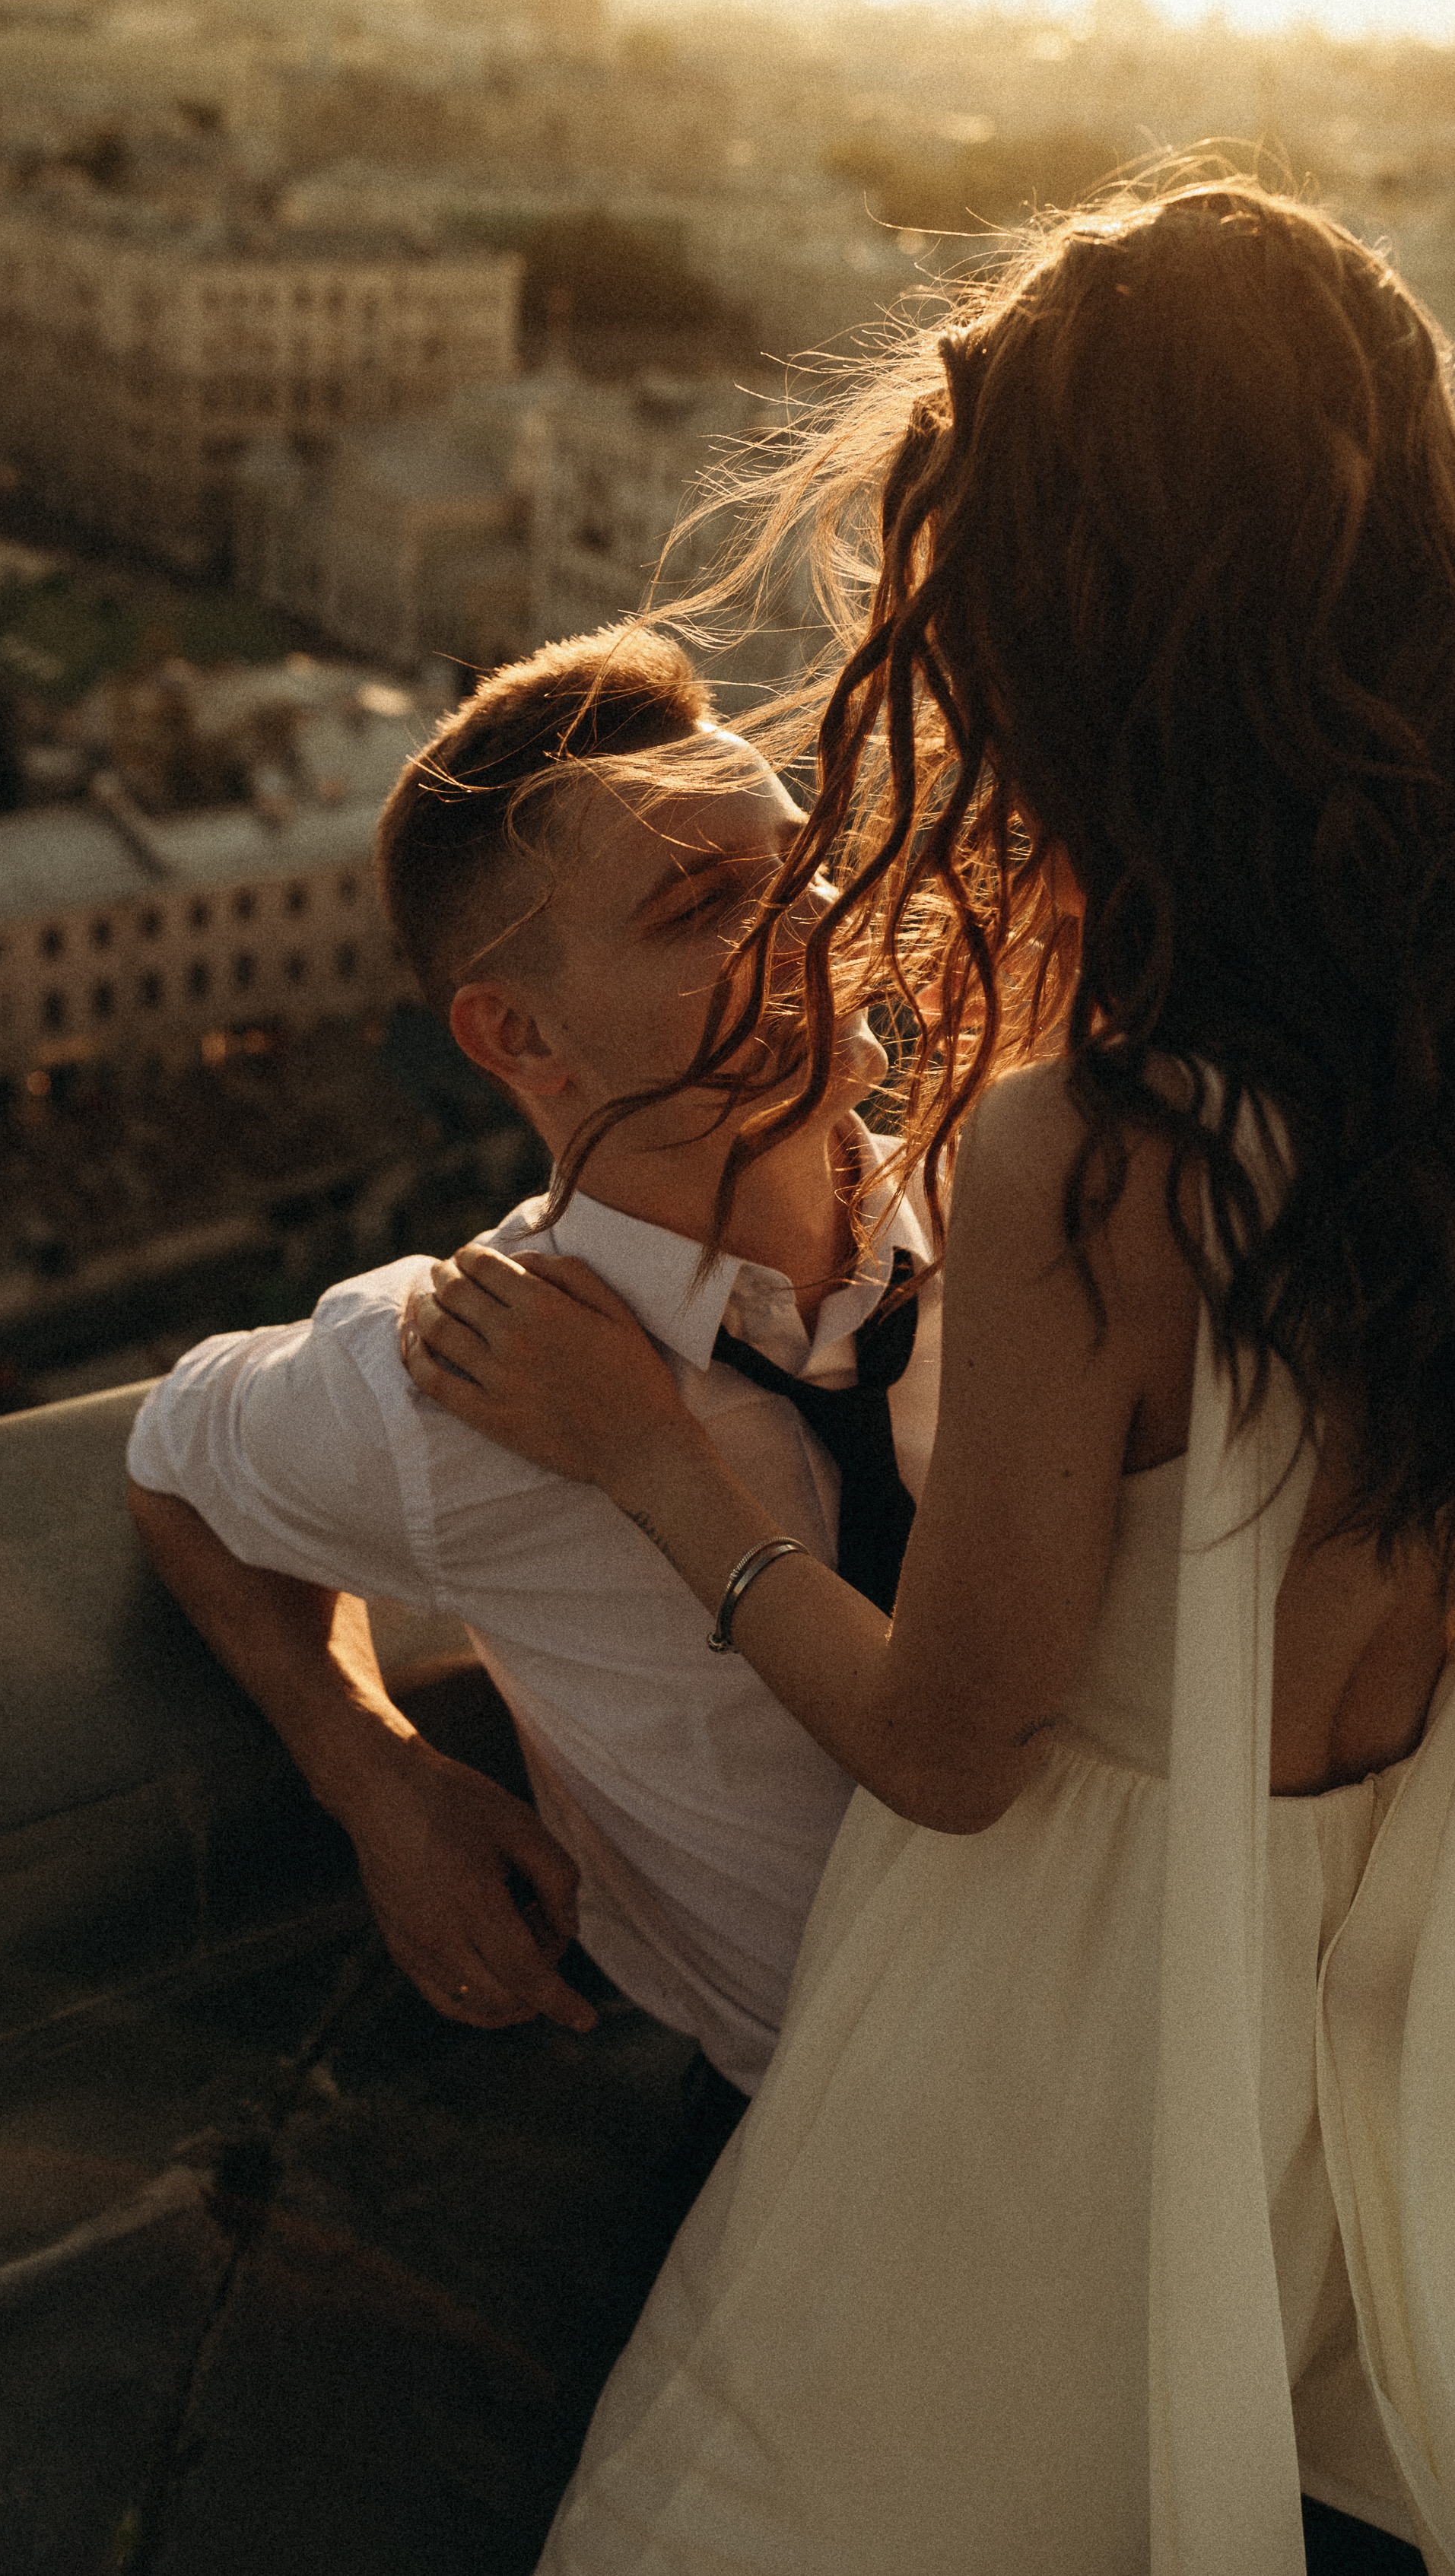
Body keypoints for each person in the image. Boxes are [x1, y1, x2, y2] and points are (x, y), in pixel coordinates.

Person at [403, 180, 1455, 2575]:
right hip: (1354, 2015)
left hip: (1049, 2039)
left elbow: (951, 1749)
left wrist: (653, 1462)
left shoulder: (1094, 1154)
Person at [126, 628, 941, 2151]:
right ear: (517, 1034)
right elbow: (173, 1458)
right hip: (830, 2142)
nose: (810, 924)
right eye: (704, 906)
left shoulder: (1016, 1231)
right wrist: (370, 1769)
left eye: (803, 861)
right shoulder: (449, 1384)